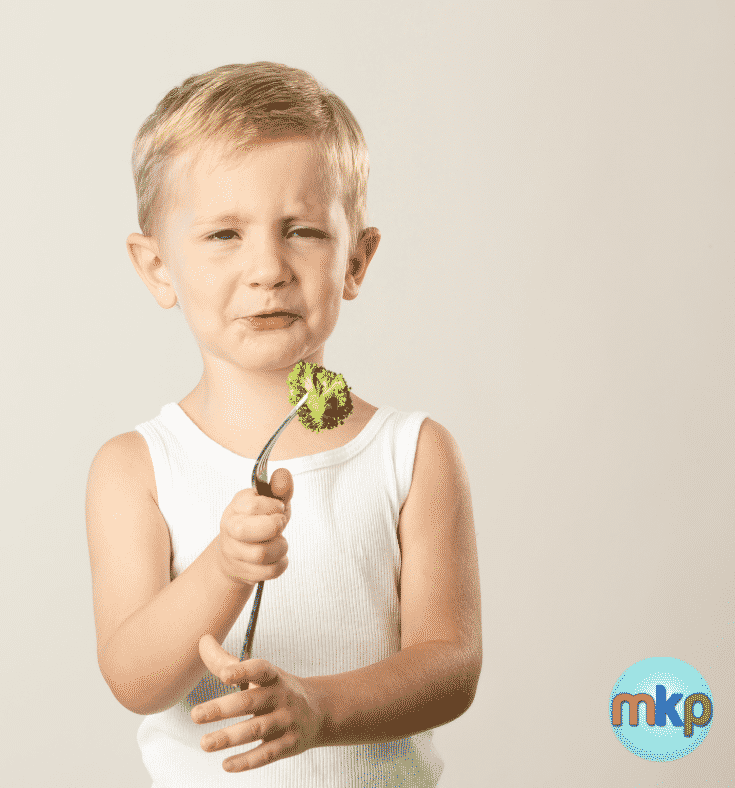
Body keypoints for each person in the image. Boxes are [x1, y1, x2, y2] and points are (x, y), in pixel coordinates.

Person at [85, 61, 481, 786]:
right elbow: (134, 679)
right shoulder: (135, 468)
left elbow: (450, 667)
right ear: (157, 269)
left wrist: (321, 710)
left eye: (302, 230)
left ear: (356, 260)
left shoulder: (414, 454)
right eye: (224, 236)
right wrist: (225, 569)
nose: (268, 267)